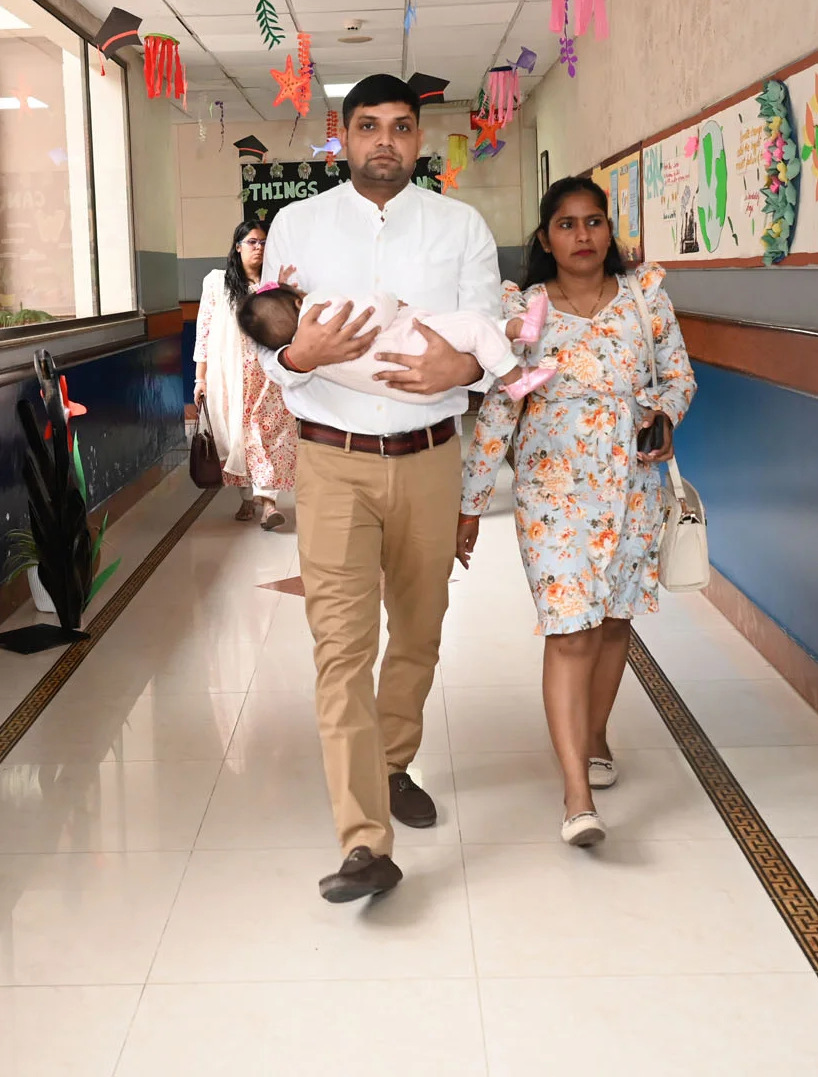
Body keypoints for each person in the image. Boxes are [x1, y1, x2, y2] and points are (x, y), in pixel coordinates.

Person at [259, 73, 502, 903]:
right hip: (332, 461)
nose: (386, 142)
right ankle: (363, 840)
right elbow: (270, 340)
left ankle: (393, 761)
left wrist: (458, 369)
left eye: (401, 127)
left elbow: (490, 334)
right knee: (341, 647)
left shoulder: (460, 227)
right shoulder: (297, 225)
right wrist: (301, 355)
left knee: (419, 631)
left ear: (419, 138)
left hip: (430, 456)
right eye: (369, 126)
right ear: (344, 134)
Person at [455, 176, 695, 849]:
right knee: (569, 631)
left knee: (613, 623)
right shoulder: (525, 311)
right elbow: (504, 401)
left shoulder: (644, 297)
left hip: (632, 486)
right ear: (545, 237)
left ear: (609, 230)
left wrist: (664, 413)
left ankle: (594, 734)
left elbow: (678, 375)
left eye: (594, 222)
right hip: (552, 491)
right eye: (567, 224)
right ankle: (576, 795)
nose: (583, 235)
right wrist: (471, 502)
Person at [236, 283, 555, 403]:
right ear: (297, 302)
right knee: (472, 326)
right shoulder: (320, 315)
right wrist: (388, 298)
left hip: (410, 374)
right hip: (410, 345)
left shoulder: (312, 353)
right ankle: (516, 378)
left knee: (470, 327)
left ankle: (517, 328)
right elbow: (373, 313)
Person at [194, 220, 297, 530]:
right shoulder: (218, 283)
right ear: (237, 246)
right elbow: (204, 332)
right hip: (232, 378)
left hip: (269, 377)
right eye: (252, 242)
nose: (259, 248)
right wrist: (200, 379)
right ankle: (247, 497)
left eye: (264, 243)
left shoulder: (274, 284)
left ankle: (268, 504)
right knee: (239, 436)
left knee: (269, 436)